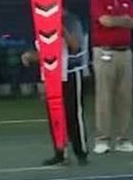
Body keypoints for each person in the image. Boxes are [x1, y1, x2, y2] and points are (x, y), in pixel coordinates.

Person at [21, 10, 90, 165]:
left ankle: (81, 151)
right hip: (52, 75)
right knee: (55, 114)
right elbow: (44, 52)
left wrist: (62, 30)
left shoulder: (71, 20)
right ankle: (60, 152)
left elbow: (75, 46)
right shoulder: (41, 22)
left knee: (73, 114)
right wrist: (30, 56)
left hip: (70, 73)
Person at [89, 0, 133, 155]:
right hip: (105, 52)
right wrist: (124, 20)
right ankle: (102, 139)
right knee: (104, 96)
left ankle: (123, 139)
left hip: (125, 51)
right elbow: (105, 21)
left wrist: (118, 20)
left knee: (125, 97)